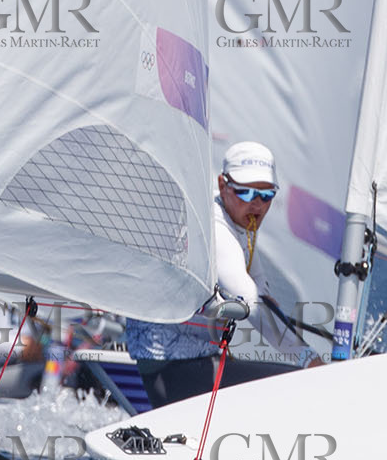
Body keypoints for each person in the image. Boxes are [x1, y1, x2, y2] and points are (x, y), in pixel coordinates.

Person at [122, 141, 322, 405]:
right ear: (223, 185)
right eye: (246, 193)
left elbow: (258, 289)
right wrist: (311, 361)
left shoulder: (240, 222)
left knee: (289, 380)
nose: (257, 205)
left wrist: (262, 301)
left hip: (197, 357)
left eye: (267, 195)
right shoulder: (216, 228)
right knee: (298, 384)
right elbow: (252, 302)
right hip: (171, 365)